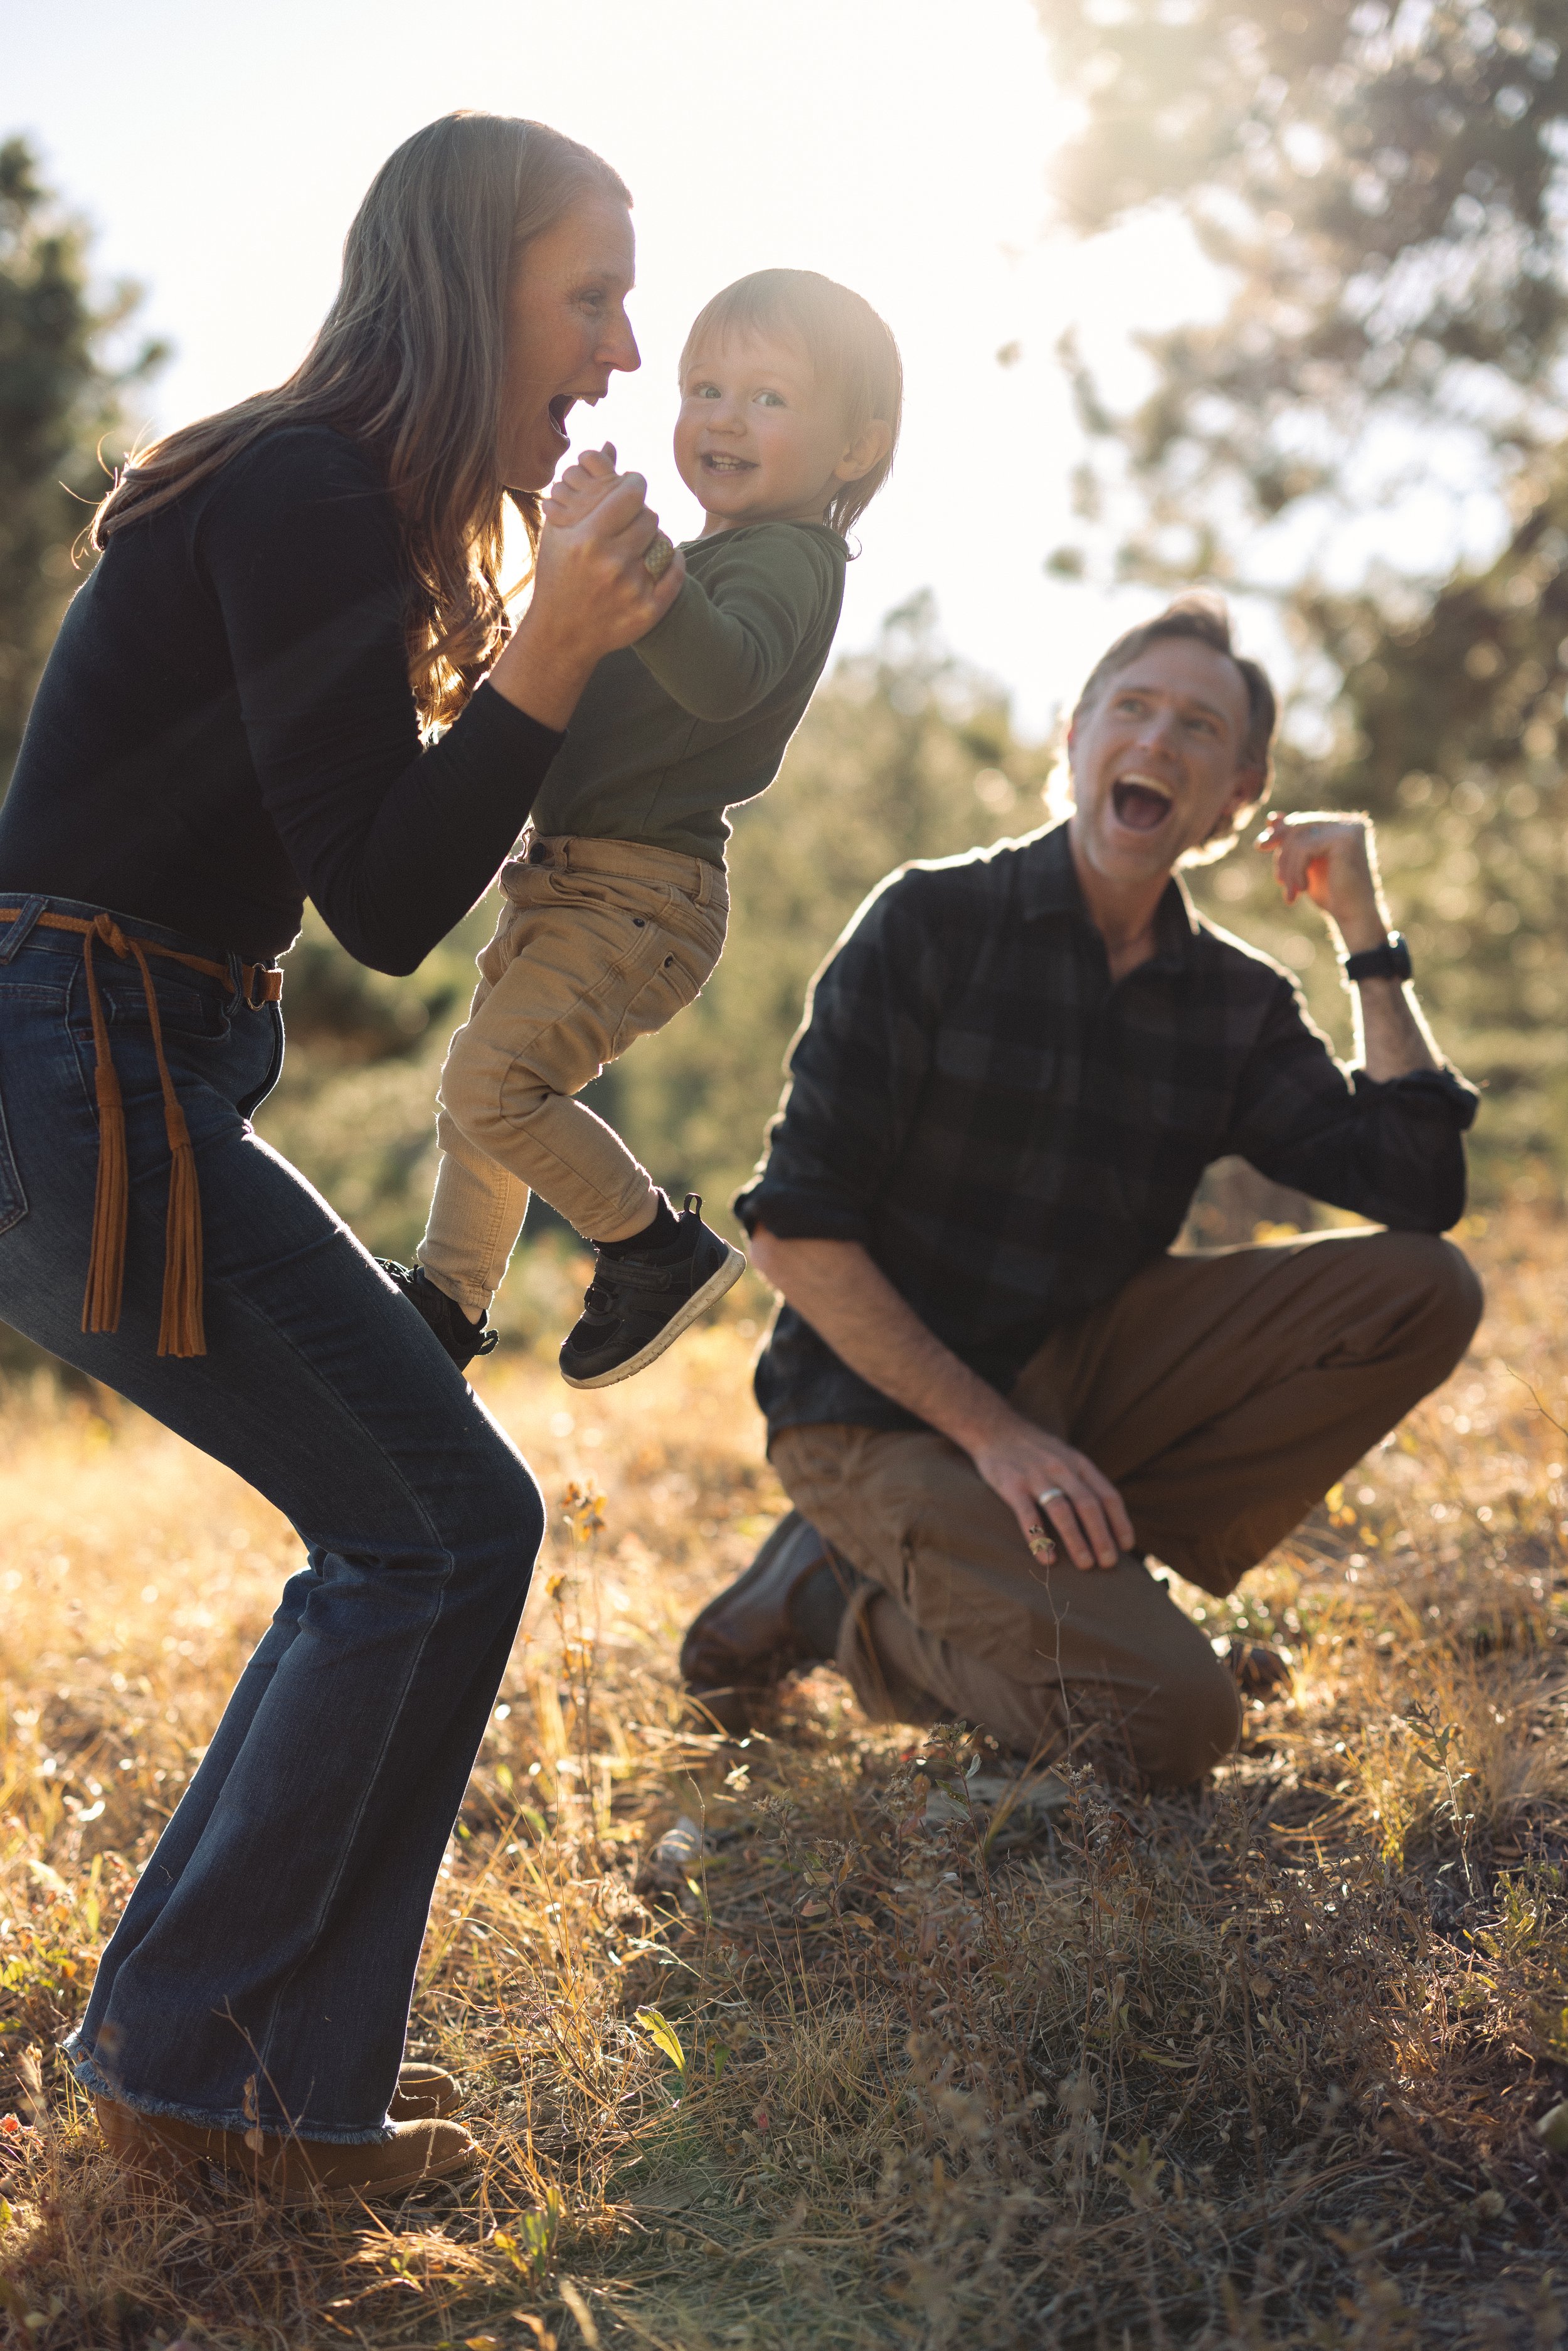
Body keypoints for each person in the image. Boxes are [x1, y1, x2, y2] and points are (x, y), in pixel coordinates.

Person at [0, 112, 682, 2200]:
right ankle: (202, 2079)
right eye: (592, 295)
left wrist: (562, 669)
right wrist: (552, 652)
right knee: (441, 1522)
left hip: (111, 1056)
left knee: (408, 1523)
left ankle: (213, 2071)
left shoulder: (328, 501)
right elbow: (382, 898)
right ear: (471, 294)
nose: (627, 351)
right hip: (72, 1062)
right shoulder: (301, 486)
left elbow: (376, 868)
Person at [681, 595, 1483, 1787]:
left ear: (1237, 798)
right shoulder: (932, 922)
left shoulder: (1234, 1001)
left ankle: (1089, 1577)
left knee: (1425, 1290)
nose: (1159, 741)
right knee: (1174, 1726)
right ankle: (831, 1605)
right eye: (1134, 708)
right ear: (1074, 738)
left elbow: (1419, 1190)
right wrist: (994, 1436)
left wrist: (1365, 930)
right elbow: (796, 1235)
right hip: (873, 1414)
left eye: (1200, 729)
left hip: (1077, 1384)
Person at [389, 269, 901, 1391]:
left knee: (495, 1084)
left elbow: (729, 676)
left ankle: (653, 1250)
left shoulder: (792, 559)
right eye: (704, 386)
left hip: (642, 892)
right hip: (574, 883)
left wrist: (642, 565)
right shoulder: (714, 560)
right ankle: (447, 1297)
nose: (722, 416)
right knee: (485, 1089)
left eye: (769, 398)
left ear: (853, 449)